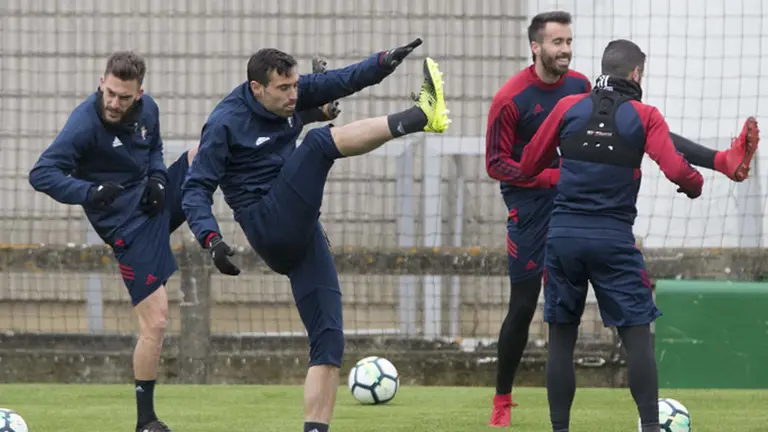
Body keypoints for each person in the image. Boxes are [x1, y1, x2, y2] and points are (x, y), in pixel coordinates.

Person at [485, 11, 759, 428]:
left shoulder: (573, 96)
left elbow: (542, 155)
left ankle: (559, 426)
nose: (565, 49)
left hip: (564, 223)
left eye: (569, 42)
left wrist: (575, 169)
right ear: (536, 47)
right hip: (545, 212)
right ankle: (504, 400)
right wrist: (569, 172)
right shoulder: (511, 98)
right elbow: (503, 166)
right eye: (557, 42)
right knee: (528, 309)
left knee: (561, 334)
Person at [180, 40, 449, 432]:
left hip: (301, 231)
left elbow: (343, 80)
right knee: (321, 142)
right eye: (284, 89)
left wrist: (383, 63)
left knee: (328, 342)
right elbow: (195, 189)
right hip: (268, 225)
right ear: (257, 88)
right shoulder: (224, 122)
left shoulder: (291, 97)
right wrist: (211, 239)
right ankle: (421, 115)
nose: (294, 95)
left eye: (296, 87)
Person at [518, 38, 708, 432]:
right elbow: (675, 169)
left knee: (561, 339)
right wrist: (694, 184)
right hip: (613, 241)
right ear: (636, 73)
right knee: (637, 336)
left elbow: (530, 163)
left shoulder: (569, 107)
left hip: (564, 237)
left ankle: (560, 429)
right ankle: (651, 427)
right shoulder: (645, 115)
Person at [28, 51, 193, 432]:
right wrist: (90, 191)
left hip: (154, 201)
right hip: (128, 227)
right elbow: (42, 174)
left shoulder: (148, 108)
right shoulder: (83, 124)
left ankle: (301, 115)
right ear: (102, 83)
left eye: (125, 97)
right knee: (157, 320)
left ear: (139, 93)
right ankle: (146, 421)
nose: (115, 103)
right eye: (111, 93)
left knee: (209, 148)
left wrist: (158, 178)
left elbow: (154, 148)